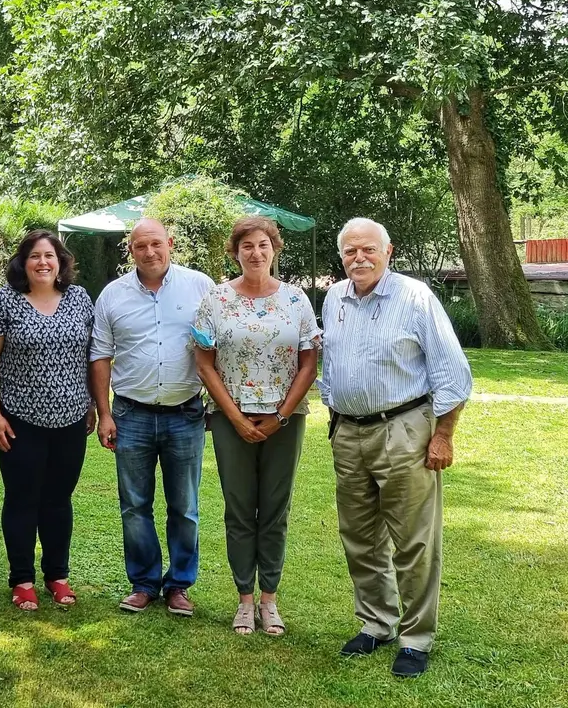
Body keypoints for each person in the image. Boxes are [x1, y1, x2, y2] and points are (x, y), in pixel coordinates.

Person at [319, 217, 472, 678]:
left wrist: (442, 435)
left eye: (368, 250)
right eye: (350, 252)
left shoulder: (415, 297)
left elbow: (453, 374)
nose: (358, 258)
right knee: (360, 538)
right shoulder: (333, 299)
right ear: (341, 256)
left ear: (388, 251)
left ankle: (416, 637)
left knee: (413, 540)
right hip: (348, 433)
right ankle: (376, 623)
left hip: (404, 430)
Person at [192, 215, 321, 636]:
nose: (255, 252)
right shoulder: (215, 300)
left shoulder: (297, 300)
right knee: (240, 509)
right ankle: (244, 600)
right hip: (231, 418)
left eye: (263, 245)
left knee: (275, 510)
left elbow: (308, 362)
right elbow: (204, 362)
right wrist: (233, 416)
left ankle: (270, 599)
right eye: (246, 246)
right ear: (235, 252)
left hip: (285, 419)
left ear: (274, 249)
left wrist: (281, 414)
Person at [90, 218, 214, 617]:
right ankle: (143, 582)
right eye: (140, 246)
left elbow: (218, 345)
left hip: (185, 413)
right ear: (131, 250)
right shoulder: (112, 295)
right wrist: (104, 413)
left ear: (170, 244)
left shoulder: (200, 286)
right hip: (131, 414)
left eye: (156, 244)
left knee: (185, 507)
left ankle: (179, 585)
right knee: (135, 505)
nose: (149, 252)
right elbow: (100, 356)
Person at [0, 230, 95, 611]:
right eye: (35, 256)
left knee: (59, 500)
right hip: (19, 420)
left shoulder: (79, 299)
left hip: (72, 420)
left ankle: (58, 576)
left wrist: (92, 403)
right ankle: (21, 579)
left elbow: (92, 354)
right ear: (22, 264)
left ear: (61, 262)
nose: (43, 262)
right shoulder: (4, 303)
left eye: (50, 256)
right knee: (23, 499)